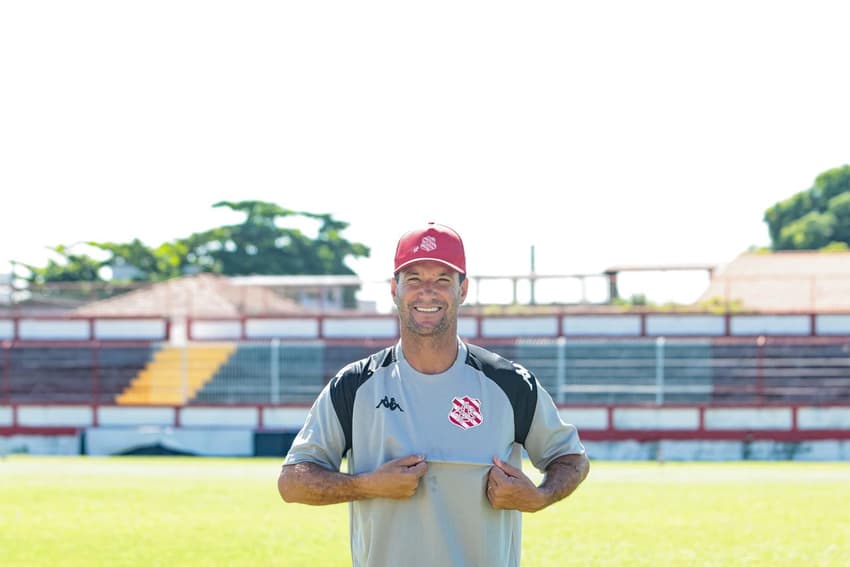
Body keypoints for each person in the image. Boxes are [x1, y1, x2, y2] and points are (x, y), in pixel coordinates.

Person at [277, 222, 590, 567]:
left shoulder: (510, 383)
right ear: (394, 289)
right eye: (413, 279)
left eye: (443, 279)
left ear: (463, 289)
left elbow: (571, 458)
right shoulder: (353, 386)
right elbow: (293, 482)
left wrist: (540, 496)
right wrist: (368, 485)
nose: (427, 291)